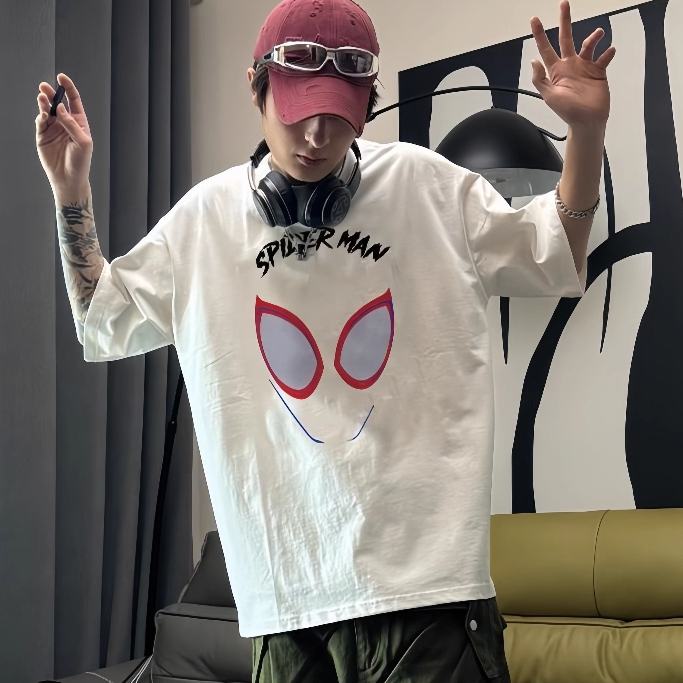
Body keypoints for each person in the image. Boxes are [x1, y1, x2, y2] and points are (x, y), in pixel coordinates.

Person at [35, 0, 615, 681]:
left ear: (366, 107)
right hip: (283, 599)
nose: (315, 136)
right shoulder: (204, 221)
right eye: (297, 112)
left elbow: (554, 253)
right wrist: (70, 190)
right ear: (256, 89)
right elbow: (101, 318)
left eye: (337, 118)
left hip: (425, 590)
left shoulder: (427, 185)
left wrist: (585, 133)